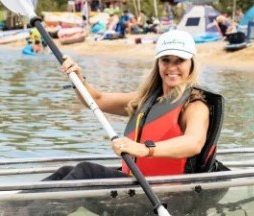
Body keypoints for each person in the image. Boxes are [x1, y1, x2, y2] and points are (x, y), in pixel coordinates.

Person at [44, 30, 224, 181]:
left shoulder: (195, 104)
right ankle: (17, 207)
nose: (171, 67)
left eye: (179, 61)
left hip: (167, 195)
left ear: (191, 63)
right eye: (166, 60)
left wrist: (144, 149)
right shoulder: (146, 100)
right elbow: (97, 100)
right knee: (65, 172)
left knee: (85, 171)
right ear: (158, 63)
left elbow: (194, 143)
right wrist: (77, 78)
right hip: (135, 187)